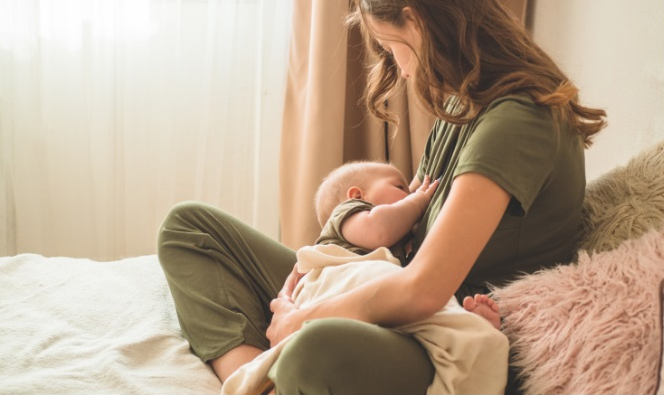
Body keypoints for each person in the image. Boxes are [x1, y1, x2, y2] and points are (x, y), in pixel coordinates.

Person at [157, 0, 607, 394]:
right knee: (190, 228)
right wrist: (330, 269)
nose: (404, 71)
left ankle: (272, 371)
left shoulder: (518, 121)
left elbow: (424, 290)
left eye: (393, 49)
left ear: (417, 24)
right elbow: (406, 238)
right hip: (395, 297)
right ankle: (252, 375)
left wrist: (303, 317)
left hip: (442, 337)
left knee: (314, 352)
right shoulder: (461, 109)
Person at [314, 160, 500, 327]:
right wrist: (417, 203)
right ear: (357, 195)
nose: (411, 193)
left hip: (372, 311)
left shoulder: (397, 251)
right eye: (400, 187)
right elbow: (379, 230)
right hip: (337, 293)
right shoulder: (346, 215)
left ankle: (471, 325)